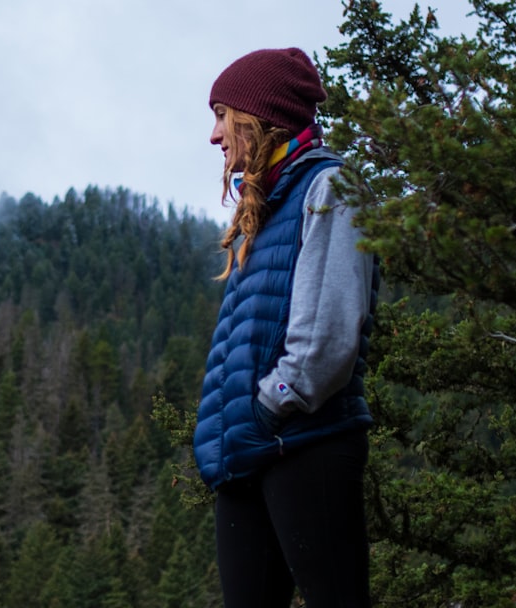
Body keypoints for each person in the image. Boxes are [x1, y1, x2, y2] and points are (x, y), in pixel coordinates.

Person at [193, 48, 378, 607]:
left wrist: (270, 405)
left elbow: (327, 337)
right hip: (247, 451)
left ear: (259, 116)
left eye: (223, 115)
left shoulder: (329, 188)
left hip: (305, 442)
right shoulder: (265, 207)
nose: (215, 135)